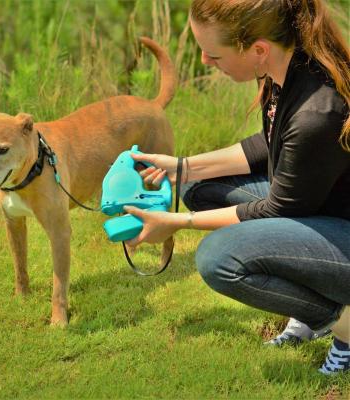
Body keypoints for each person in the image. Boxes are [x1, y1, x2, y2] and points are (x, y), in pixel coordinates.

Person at [124, 0, 350, 375]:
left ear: (258, 50)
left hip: (340, 231)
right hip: (318, 207)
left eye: (214, 54)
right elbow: (268, 142)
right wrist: (182, 167)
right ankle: (319, 305)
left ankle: (343, 325)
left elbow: (277, 210)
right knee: (196, 186)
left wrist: (176, 223)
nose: (205, 61)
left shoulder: (317, 110)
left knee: (220, 257)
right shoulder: (287, 69)